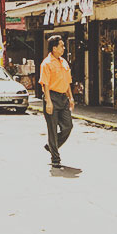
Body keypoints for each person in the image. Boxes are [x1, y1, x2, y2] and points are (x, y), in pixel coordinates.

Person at [39, 35, 74, 168]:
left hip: (63, 98)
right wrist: (48, 101)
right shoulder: (46, 63)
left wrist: (70, 97)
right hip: (52, 97)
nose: (64, 48)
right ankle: (55, 157)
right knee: (52, 129)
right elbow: (45, 84)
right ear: (54, 48)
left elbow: (68, 81)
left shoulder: (64, 62)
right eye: (61, 46)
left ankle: (51, 145)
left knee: (68, 126)